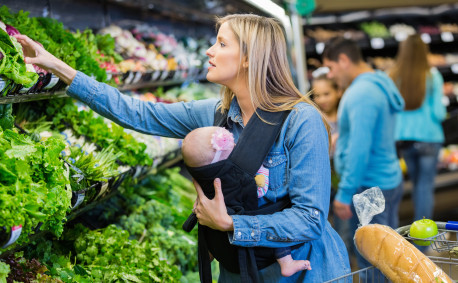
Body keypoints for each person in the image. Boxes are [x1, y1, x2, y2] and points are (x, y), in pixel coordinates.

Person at [15, 14, 350, 282]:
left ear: (249, 59)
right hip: (239, 269)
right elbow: (138, 113)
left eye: (221, 43)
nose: (209, 51)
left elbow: (311, 219)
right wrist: (59, 68)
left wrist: (232, 225)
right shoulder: (215, 113)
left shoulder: (300, 121)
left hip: (304, 271)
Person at [322, 37, 405, 278]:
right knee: (387, 255)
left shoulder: (361, 93)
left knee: (374, 262)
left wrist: (345, 193)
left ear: (344, 60)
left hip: (370, 187)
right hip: (386, 179)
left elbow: (360, 148)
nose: (330, 75)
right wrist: (343, 139)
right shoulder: (379, 83)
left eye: (331, 67)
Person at [181, 126, 312, 277]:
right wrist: (262, 171)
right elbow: (260, 191)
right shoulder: (237, 177)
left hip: (221, 242)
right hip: (246, 235)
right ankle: (286, 261)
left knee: (209, 227)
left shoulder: (204, 180)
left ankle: (211, 251)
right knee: (276, 219)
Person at [389, 34, 446, 224]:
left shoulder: (394, 76)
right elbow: (438, 112)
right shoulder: (432, 76)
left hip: (405, 139)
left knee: (415, 186)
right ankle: (424, 240)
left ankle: (412, 233)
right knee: (425, 187)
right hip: (430, 137)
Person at [311, 72, 352, 256]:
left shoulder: (346, 117)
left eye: (326, 93)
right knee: (324, 224)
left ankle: (343, 261)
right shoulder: (314, 118)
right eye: (317, 95)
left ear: (338, 92)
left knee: (344, 226)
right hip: (321, 178)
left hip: (342, 178)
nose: (321, 99)